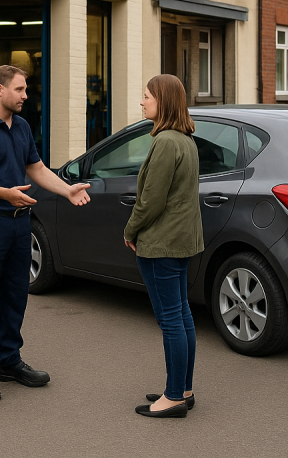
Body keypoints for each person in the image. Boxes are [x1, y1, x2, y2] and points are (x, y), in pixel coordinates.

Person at [0, 65, 92, 402]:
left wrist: (67, 190)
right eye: (20, 90)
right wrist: (4, 193)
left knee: (16, 295)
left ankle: (9, 361)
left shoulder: (24, 127)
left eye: (26, 90)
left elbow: (37, 169)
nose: (25, 96)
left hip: (20, 224)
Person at [123, 74, 203, 419]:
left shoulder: (166, 142)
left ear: (163, 102)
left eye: (146, 97)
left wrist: (130, 230)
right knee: (182, 315)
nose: (142, 102)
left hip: (162, 243)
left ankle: (173, 398)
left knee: (172, 320)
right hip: (181, 241)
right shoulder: (185, 140)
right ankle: (182, 389)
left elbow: (150, 201)